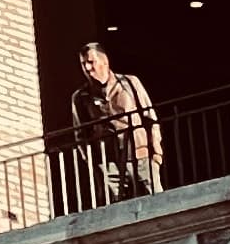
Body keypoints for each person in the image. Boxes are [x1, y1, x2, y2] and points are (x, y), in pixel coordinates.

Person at [70, 39, 163, 200]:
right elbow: (81, 135)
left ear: (104, 61)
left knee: (154, 197)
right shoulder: (81, 97)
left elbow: (149, 118)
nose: (87, 68)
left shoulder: (129, 83)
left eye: (91, 62)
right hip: (108, 160)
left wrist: (156, 153)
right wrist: (93, 165)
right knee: (114, 203)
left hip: (139, 152)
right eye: (83, 64)